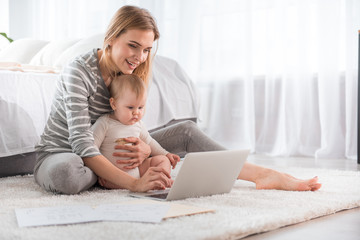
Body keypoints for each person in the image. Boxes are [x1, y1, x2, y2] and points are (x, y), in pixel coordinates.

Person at [34, 5, 321, 194]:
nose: (139, 57)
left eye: (146, 49)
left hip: (110, 148)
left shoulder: (134, 70)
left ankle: (263, 174)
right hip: (67, 152)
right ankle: (110, 176)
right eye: (132, 46)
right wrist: (135, 182)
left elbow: (135, 126)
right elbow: (82, 144)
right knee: (67, 175)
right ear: (111, 38)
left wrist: (147, 152)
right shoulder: (78, 71)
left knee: (185, 130)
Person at [91, 74, 180, 189]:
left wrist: (165, 154)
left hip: (138, 171)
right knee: (109, 180)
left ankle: (159, 180)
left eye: (140, 107)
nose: (136, 113)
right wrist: (100, 172)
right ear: (114, 104)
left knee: (163, 160)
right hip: (114, 175)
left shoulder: (138, 124)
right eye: (130, 107)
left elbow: (149, 142)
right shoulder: (105, 123)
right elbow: (91, 149)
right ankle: (145, 182)